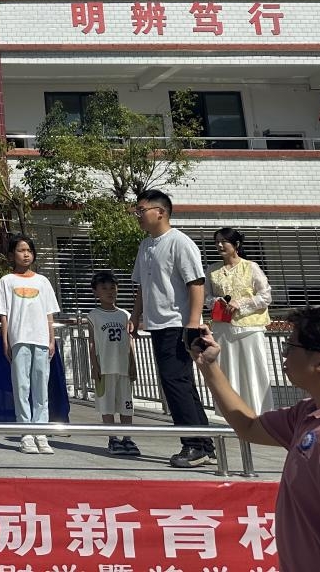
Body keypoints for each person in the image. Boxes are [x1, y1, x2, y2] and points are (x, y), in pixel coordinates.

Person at [194, 306, 320, 571]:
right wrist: (209, 366)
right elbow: (248, 427)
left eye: (290, 347)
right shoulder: (311, 413)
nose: (284, 355)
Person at [130, 189, 216, 468]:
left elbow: (196, 284)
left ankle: (193, 445)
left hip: (176, 324)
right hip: (157, 324)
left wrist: (193, 322)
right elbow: (142, 285)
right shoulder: (146, 245)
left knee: (175, 383)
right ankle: (205, 443)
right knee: (181, 383)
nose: (138, 215)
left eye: (141, 210)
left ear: (160, 212)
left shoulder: (180, 242)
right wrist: (136, 315)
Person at [0, 235, 60, 454]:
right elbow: (3, 315)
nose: (26, 254)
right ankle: (26, 433)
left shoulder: (42, 281)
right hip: (19, 338)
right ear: (12, 255)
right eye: (21, 250)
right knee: (21, 386)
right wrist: (6, 340)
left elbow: (49, 313)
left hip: (40, 339)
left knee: (41, 387)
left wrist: (51, 339)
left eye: (29, 250)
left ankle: (41, 432)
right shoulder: (6, 281)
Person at [206, 227, 273, 414]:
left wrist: (241, 303)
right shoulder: (212, 270)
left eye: (224, 241)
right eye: (217, 242)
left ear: (236, 244)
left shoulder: (251, 267)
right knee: (228, 371)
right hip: (223, 329)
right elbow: (206, 297)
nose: (220, 245)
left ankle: (260, 413)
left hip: (249, 328)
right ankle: (232, 413)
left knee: (254, 370)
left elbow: (265, 296)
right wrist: (217, 301)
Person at [87, 269, 139, 456]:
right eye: (104, 288)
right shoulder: (94, 315)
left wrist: (133, 364)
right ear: (96, 292)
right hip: (105, 367)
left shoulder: (125, 315)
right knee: (107, 404)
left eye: (112, 287)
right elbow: (92, 342)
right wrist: (94, 365)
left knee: (126, 404)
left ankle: (128, 438)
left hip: (123, 367)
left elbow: (130, 341)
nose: (109, 291)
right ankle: (113, 438)